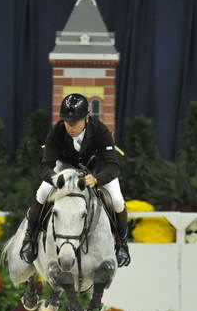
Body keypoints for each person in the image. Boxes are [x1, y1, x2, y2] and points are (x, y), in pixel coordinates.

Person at [19, 93, 131, 267]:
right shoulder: (56, 131)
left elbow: (113, 166)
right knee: (42, 192)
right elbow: (46, 166)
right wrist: (53, 179)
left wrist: (97, 179)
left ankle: (122, 244)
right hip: (65, 169)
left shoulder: (101, 131)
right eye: (66, 121)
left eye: (75, 122)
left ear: (86, 118)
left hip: (97, 170)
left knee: (117, 200)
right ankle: (30, 239)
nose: (70, 126)